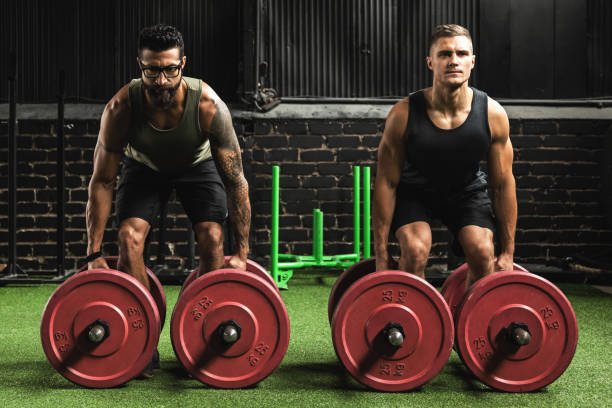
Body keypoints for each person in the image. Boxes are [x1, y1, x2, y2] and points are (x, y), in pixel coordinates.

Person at [85, 24, 251, 376]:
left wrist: (243, 253)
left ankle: (200, 337)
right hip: (144, 166)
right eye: (152, 70)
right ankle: (143, 342)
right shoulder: (121, 108)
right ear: (140, 66)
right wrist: (94, 254)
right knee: (129, 239)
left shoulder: (208, 105)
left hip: (197, 163)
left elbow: (235, 181)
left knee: (212, 238)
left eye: (169, 70)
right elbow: (101, 181)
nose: (161, 80)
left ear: (183, 65)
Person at [373, 24, 516, 288]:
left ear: (472, 62)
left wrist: (507, 253)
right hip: (415, 192)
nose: (453, 61)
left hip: (466, 192)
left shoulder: (492, 114)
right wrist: (381, 253)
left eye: (461, 54)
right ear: (430, 62)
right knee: (415, 251)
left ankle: (466, 322)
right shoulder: (403, 114)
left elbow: (502, 184)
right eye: (444, 54)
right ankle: (415, 323)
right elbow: (386, 182)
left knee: (483, 252)